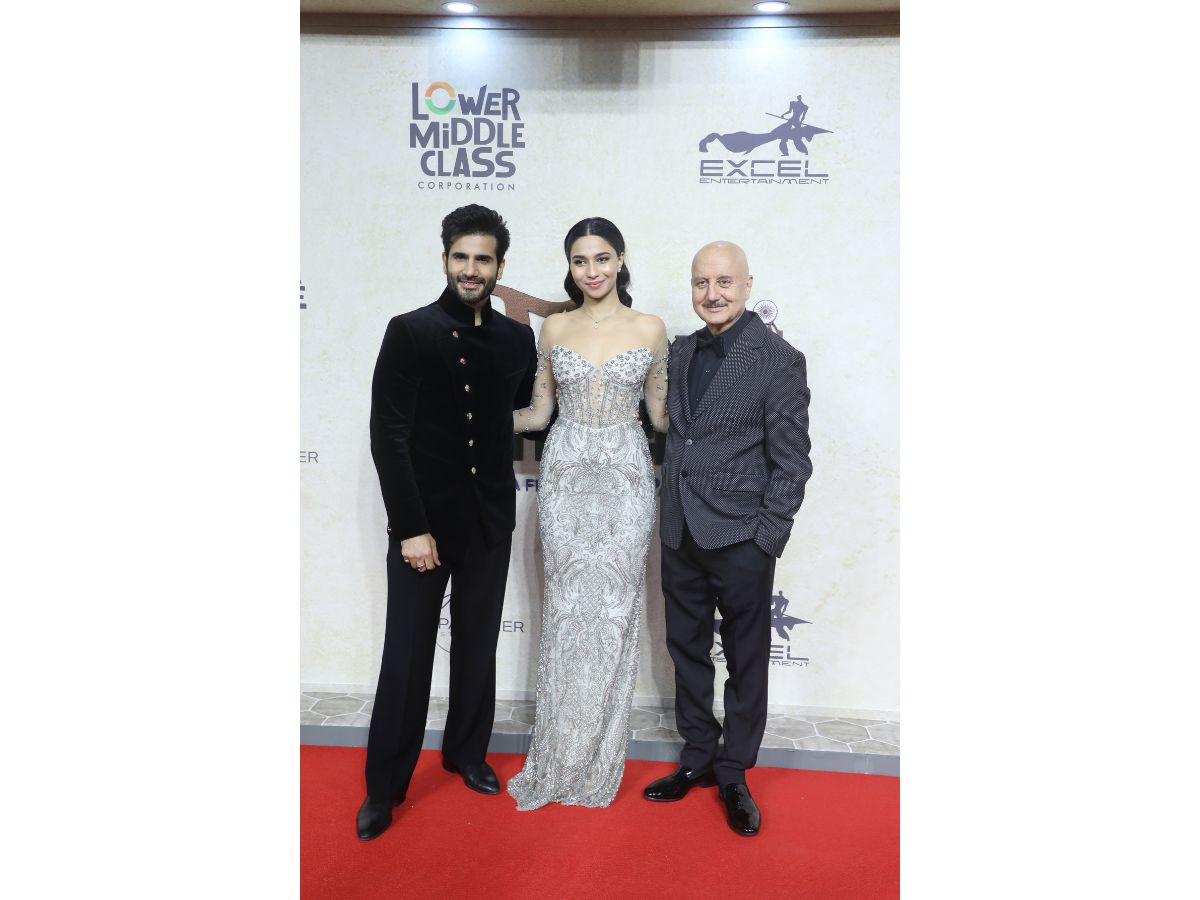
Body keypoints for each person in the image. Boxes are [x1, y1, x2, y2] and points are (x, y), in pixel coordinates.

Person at [357, 205, 538, 841]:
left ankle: (466, 753)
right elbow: (389, 435)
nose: (471, 269)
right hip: (423, 527)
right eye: (461, 256)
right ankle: (384, 786)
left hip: (489, 518)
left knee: (477, 645)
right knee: (406, 655)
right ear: (444, 260)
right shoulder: (409, 331)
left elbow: (522, 415)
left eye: (483, 259)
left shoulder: (517, 340)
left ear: (499, 267)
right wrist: (411, 527)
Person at [644, 241, 811, 837]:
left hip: (742, 537)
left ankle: (734, 771)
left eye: (723, 282)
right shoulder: (682, 350)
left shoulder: (779, 359)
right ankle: (697, 757)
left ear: (746, 285)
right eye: (701, 283)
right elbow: (678, 436)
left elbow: (792, 461)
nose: (711, 294)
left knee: (745, 659)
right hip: (680, 531)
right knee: (686, 652)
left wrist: (767, 538)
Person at [506, 217, 669, 810]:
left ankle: (598, 758)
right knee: (568, 610)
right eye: (580, 261)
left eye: (602, 259)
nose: (592, 271)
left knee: (615, 615)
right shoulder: (554, 327)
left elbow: (660, 418)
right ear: (569, 267)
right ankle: (558, 755)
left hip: (626, 481)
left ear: (620, 260)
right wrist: (463, 414)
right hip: (566, 478)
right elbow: (537, 414)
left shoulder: (651, 328)